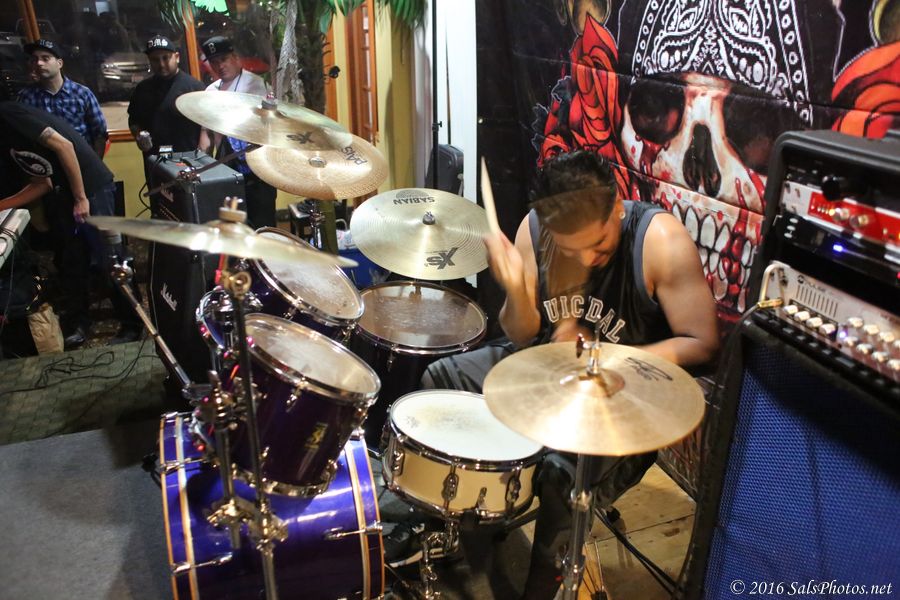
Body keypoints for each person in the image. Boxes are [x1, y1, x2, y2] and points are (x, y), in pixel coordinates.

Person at [420, 150, 720, 598]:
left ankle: (542, 588)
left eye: (599, 245)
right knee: (441, 379)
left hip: (623, 403)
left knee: (562, 473)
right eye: (570, 249)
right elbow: (522, 333)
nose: (588, 259)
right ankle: (459, 522)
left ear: (617, 208)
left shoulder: (660, 242)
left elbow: (703, 342)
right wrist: (516, 290)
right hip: (544, 370)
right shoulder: (534, 228)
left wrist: (607, 358)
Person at [0, 101, 115, 348]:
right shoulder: (9, 137)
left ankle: (132, 324)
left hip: (91, 189)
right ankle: (80, 323)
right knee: (73, 261)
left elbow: (64, 145)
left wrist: (81, 198)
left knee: (108, 259)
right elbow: (42, 183)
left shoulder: (8, 114)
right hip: (68, 192)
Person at [197, 36, 277, 228]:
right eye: (214, 62)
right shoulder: (210, 92)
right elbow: (206, 134)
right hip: (226, 171)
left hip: (258, 172)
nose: (220, 66)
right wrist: (201, 165)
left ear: (235, 57)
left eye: (223, 59)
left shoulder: (258, 86)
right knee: (232, 228)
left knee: (262, 227)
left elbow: (272, 128)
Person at [17, 39, 109, 158]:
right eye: (35, 59)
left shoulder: (82, 93)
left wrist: (95, 163)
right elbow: (22, 134)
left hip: (81, 158)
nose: (39, 63)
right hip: (46, 161)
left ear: (59, 63)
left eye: (45, 58)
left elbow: (99, 133)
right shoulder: (26, 97)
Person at [127, 35, 204, 167]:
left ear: (177, 57)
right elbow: (134, 121)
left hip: (189, 161)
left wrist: (202, 158)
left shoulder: (195, 88)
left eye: (166, 58)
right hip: (154, 162)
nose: (161, 64)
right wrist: (139, 135)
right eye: (155, 59)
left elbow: (205, 128)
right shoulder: (142, 89)